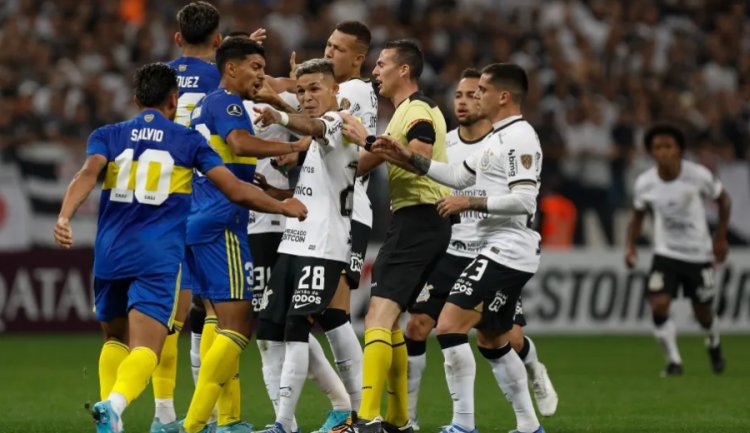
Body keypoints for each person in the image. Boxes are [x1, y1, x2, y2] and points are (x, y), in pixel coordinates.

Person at [52, 62, 306, 433]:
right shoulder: (187, 141)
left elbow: (87, 174)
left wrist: (64, 216)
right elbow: (235, 189)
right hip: (156, 257)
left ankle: (110, 420)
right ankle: (115, 405)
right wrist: (282, 205)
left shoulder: (107, 134)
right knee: (147, 347)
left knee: (114, 338)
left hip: (109, 252)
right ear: (174, 100)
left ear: (137, 99)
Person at [372, 63, 545, 433]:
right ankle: (530, 427)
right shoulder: (497, 138)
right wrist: (410, 158)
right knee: (493, 339)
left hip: (506, 248)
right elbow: (458, 176)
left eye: (481, 90)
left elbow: (525, 200)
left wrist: (471, 203)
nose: (472, 96)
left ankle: (463, 425)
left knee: (449, 325)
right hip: (488, 249)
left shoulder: (520, 137)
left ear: (502, 97)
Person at [180, 37, 311, 433]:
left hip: (197, 215)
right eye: (255, 66)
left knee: (217, 320)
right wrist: (296, 144)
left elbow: (225, 154)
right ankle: (193, 423)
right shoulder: (228, 103)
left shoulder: (204, 105)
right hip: (222, 222)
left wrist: (246, 172)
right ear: (231, 68)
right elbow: (240, 141)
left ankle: (225, 420)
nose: (260, 74)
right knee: (238, 326)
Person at [254, 22, 375, 431]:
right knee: (273, 329)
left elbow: (313, 128)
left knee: (301, 325)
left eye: (314, 90)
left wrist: (279, 108)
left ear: (335, 91)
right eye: (302, 91)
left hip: (325, 243)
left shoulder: (340, 118)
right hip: (295, 241)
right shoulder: (320, 125)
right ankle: (297, 422)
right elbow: (308, 176)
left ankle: (354, 416)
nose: (306, 98)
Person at [333, 39, 453, 433]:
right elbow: (367, 163)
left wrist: (365, 137)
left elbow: (416, 152)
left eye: (382, 63)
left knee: (377, 317)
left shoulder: (417, 110)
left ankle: (367, 419)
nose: (375, 70)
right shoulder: (406, 112)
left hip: (418, 219)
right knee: (393, 320)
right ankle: (399, 420)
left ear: (404, 70)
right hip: (420, 221)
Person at [153, 3, 223, 431]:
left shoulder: (158, 76)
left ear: (177, 37)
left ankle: (164, 417)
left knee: (172, 317)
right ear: (217, 40)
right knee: (218, 309)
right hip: (212, 195)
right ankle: (212, 418)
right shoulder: (224, 76)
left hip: (166, 198)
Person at [625, 124, 730, 377]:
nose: (663, 152)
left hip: (699, 253)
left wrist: (721, 238)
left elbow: (724, 200)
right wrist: (629, 246)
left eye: (668, 146)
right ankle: (674, 361)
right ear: (651, 152)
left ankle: (713, 342)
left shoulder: (698, 175)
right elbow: (637, 217)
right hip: (666, 253)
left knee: (703, 312)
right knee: (659, 305)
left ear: (679, 150)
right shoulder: (645, 183)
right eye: (658, 147)